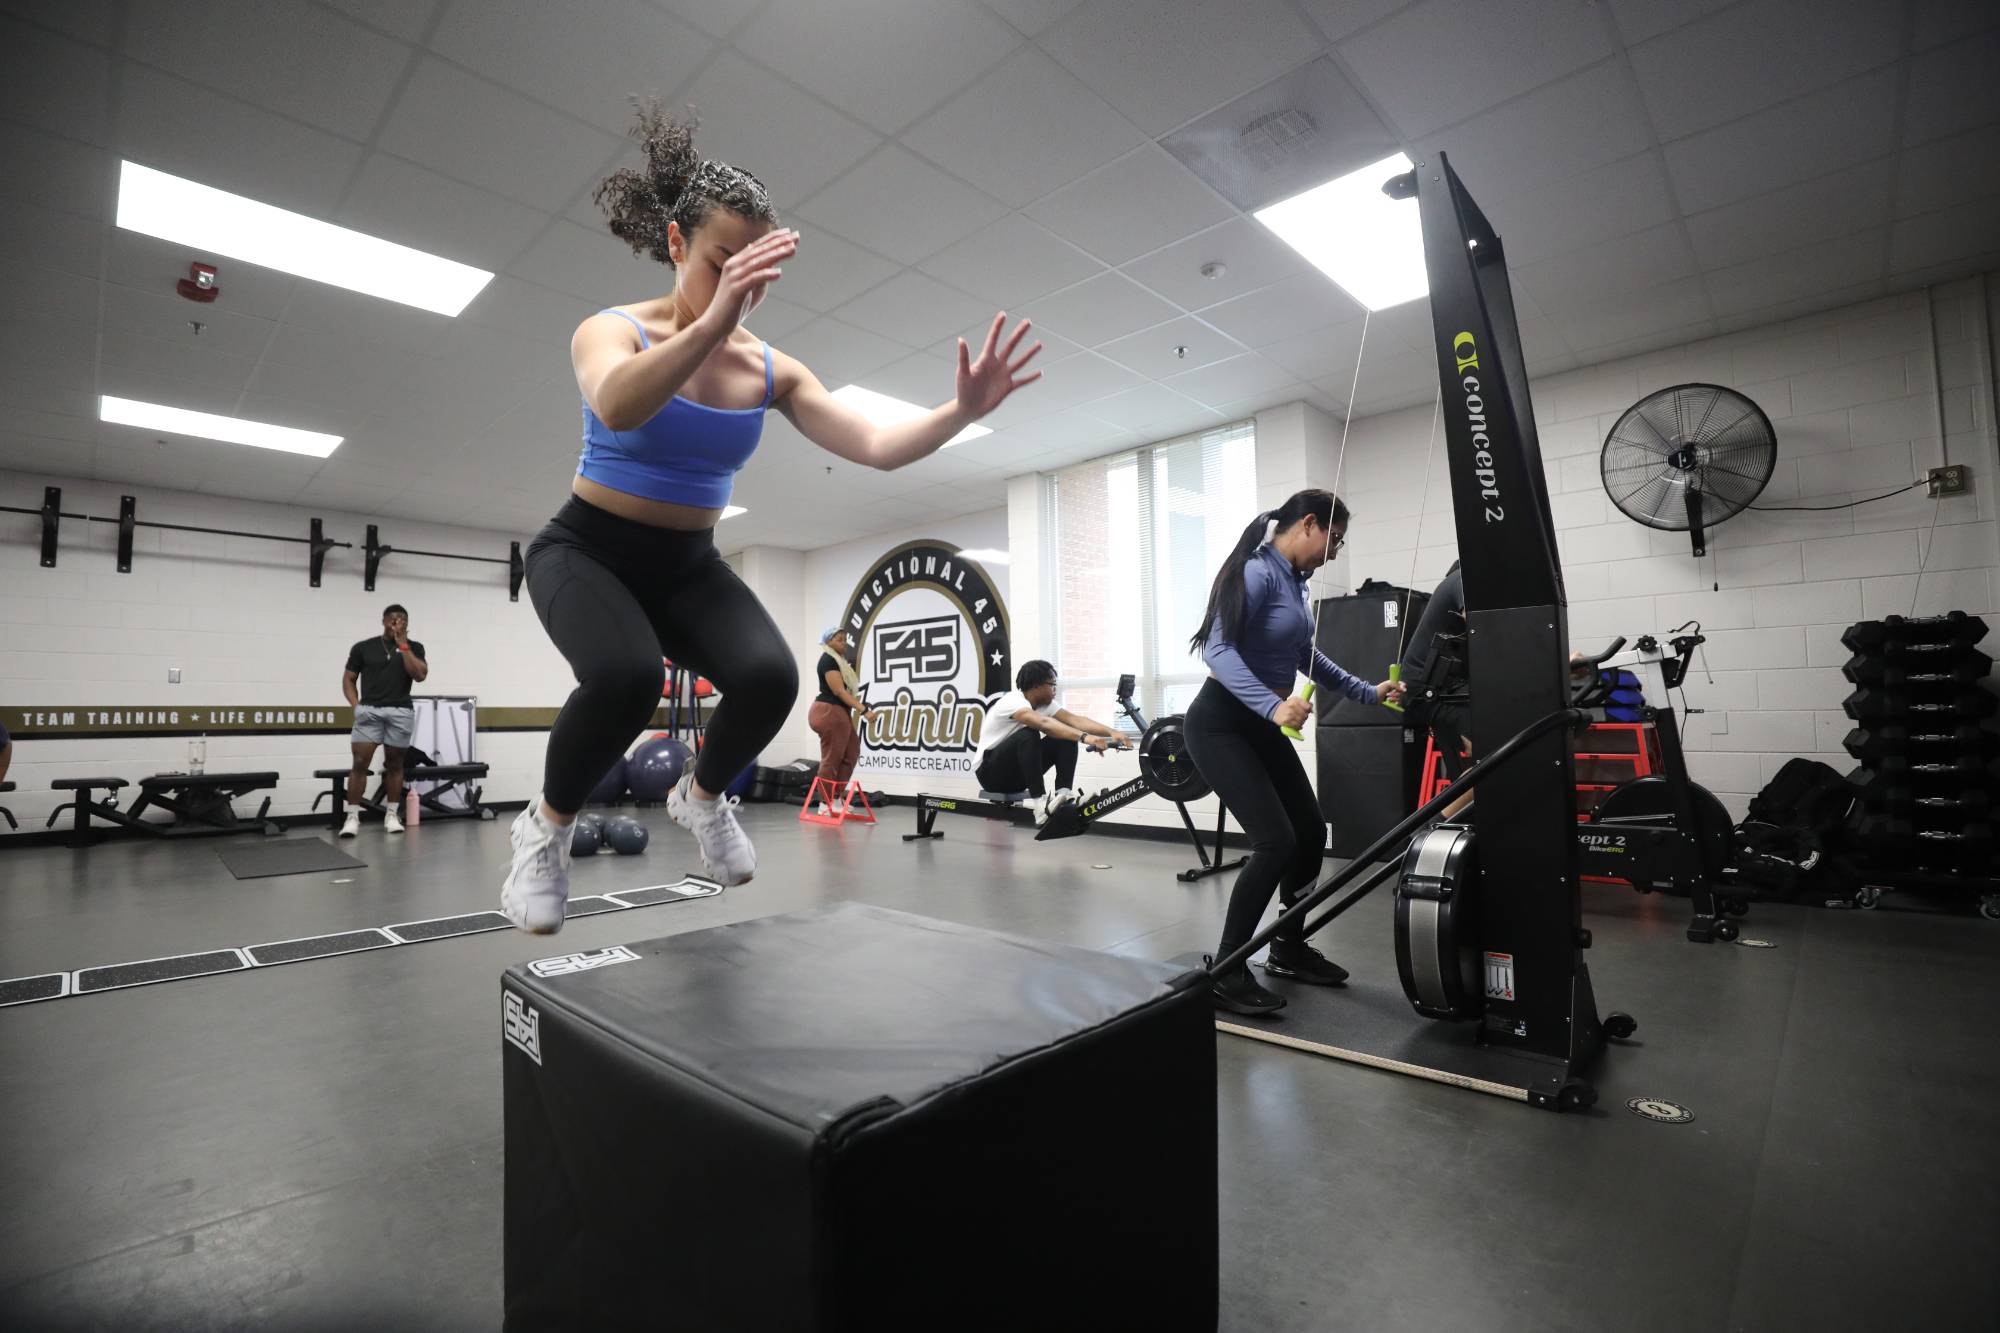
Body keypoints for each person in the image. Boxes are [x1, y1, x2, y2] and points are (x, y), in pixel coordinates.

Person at [502, 103, 1042, 933]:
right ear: (676, 243)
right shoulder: (611, 331)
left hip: (687, 564)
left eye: (753, 276)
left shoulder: (770, 369)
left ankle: (701, 796)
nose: (739, 293)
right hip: (587, 550)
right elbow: (617, 406)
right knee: (627, 676)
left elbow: (875, 445)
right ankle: (545, 829)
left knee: (770, 678)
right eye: (723, 266)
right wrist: (713, 323)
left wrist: (959, 412)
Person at [1185, 490, 1404, 1015]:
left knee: (1308, 830)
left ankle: (1287, 946)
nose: (1335, 551)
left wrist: (1367, 692)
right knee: (1275, 841)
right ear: (1308, 524)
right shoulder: (1256, 572)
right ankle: (1227, 969)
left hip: (1261, 725)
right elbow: (1217, 650)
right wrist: (1273, 705)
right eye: (1335, 538)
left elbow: (1305, 654)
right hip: (1220, 725)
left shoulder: (1294, 582)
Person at [973, 660, 1129, 823]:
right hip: (990, 774)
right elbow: (1043, 723)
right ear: (1036, 685)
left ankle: (1064, 796)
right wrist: (1085, 737)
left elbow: (1075, 720)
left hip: (1017, 777)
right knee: (1029, 733)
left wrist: (1112, 732)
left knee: (1066, 736)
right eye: (1052, 684)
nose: (1055, 689)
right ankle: (1040, 806)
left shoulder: (1045, 705)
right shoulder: (1013, 701)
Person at [340, 604, 428, 838]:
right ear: (383, 621)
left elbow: (419, 675)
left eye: (402, 620)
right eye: (393, 619)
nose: (397, 623)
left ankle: (391, 814)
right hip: (370, 712)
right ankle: (352, 817)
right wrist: (356, 706)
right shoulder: (363, 648)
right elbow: (348, 679)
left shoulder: (415, 647)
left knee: (395, 764)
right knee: (360, 763)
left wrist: (403, 644)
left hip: (400, 712)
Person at [1398, 560, 1472, 819]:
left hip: (1445, 689)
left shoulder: (1456, 581)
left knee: (1480, 766)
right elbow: (1485, 628)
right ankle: (1427, 831)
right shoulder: (1464, 578)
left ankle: (1453, 826)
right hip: (1428, 690)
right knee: (1495, 755)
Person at [807, 627, 878, 814]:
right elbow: (839, 691)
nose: (844, 643)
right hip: (828, 711)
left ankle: (836, 798)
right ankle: (825, 803)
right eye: (839, 639)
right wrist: (864, 710)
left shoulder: (839, 661)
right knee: (832, 759)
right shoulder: (828, 660)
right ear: (828, 642)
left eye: (845, 639)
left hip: (838, 712)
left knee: (851, 753)